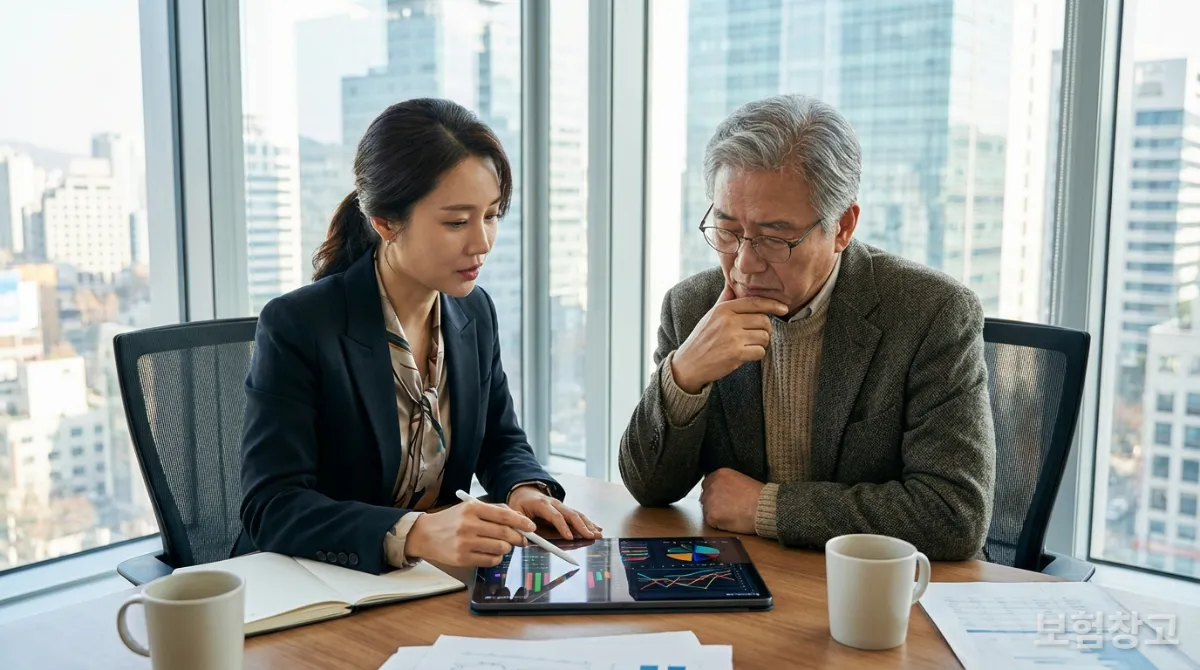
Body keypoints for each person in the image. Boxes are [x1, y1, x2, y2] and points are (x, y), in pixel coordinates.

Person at [619, 94, 996, 560]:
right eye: (728, 230)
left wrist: (769, 508)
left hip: (880, 586)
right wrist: (684, 376)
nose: (744, 263)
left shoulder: (931, 312)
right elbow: (649, 488)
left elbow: (954, 514)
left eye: (774, 238)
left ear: (842, 227)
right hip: (752, 573)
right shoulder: (692, 306)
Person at [236, 98, 600, 575]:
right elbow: (272, 505)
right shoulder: (298, 325)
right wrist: (416, 533)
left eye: (491, 215)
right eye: (457, 222)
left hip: (427, 580)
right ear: (385, 222)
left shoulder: (474, 312)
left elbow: (499, 440)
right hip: (316, 582)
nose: (482, 243)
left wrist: (524, 489)